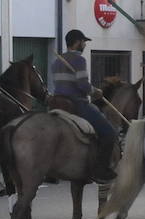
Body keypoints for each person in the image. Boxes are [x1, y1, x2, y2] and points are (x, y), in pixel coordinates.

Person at [49, 29, 117, 182]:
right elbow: (83, 85)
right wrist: (96, 92)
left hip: (57, 103)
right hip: (76, 103)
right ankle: (100, 170)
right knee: (109, 133)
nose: (85, 44)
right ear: (77, 42)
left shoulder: (56, 62)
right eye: (84, 41)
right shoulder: (79, 60)